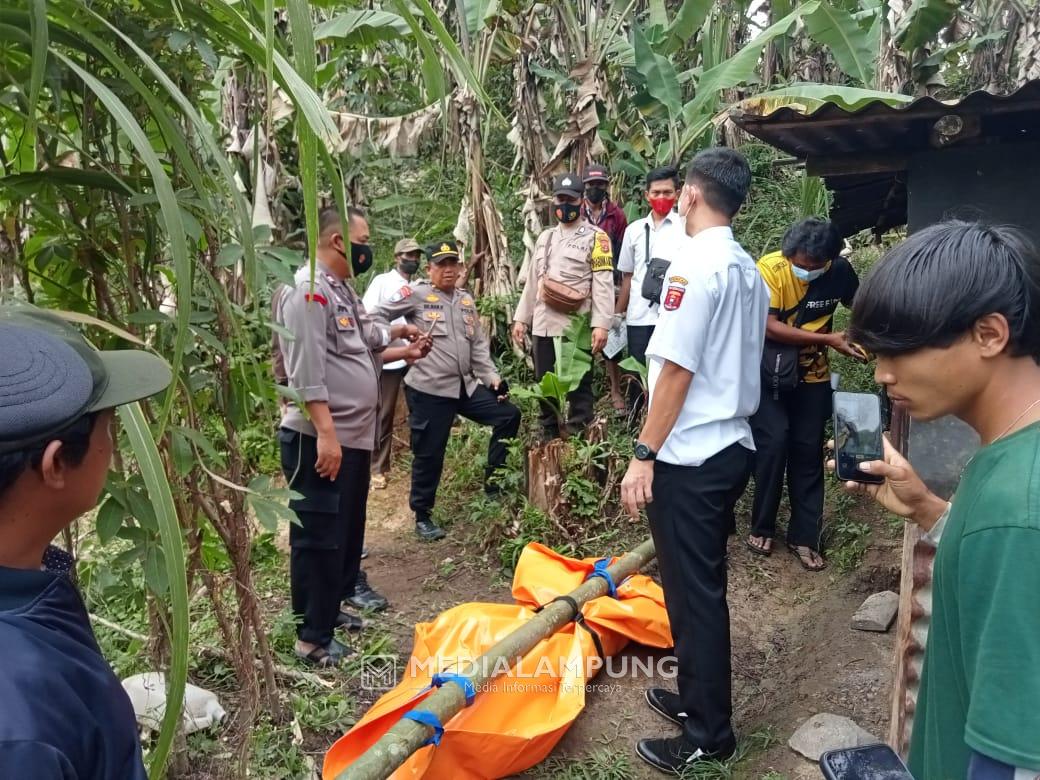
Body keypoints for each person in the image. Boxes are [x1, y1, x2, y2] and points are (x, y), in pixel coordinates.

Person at [833, 221, 1040, 780]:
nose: (882, 374)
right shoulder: (1012, 459)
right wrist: (929, 508)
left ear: (989, 335)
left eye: (899, 351)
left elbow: (1016, 760)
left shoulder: (1019, 508)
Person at [620, 148, 768, 772]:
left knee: (695, 592)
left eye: (678, 194)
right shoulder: (747, 269)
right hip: (730, 443)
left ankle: (710, 735)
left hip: (691, 453)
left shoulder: (693, 267)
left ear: (689, 198)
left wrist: (643, 454)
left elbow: (676, 369)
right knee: (689, 588)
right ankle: (694, 699)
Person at [0, 304, 173, 777]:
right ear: (56, 464)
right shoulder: (18, 734)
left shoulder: (28, 579)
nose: (113, 444)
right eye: (108, 425)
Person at [275, 206, 429, 667]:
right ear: (340, 241)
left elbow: (364, 341)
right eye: (364, 238)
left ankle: (331, 608)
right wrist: (325, 434)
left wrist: (404, 344)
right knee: (319, 536)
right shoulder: (307, 292)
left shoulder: (341, 290)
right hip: (322, 439)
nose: (368, 247)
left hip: (352, 437)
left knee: (344, 530)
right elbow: (305, 372)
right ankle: (311, 637)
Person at [375, 240, 521, 542]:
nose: (448, 270)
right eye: (441, 264)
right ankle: (423, 514)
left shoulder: (466, 300)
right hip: (429, 388)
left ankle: (494, 486)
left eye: (452, 263)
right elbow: (376, 315)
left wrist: (492, 377)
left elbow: (478, 346)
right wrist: (401, 338)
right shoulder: (416, 294)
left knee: (508, 416)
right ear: (429, 269)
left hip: (464, 386)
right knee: (430, 453)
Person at [747, 218, 864, 570]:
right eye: (798, 264)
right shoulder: (769, 270)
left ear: (829, 260)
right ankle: (762, 525)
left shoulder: (840, 272)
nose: (804, 271)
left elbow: (861, 306)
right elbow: (768, 326)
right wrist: (828, 339)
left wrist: (861, 337)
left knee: (808, 449)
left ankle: (804, 536)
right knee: (773, 442)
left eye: (812, 267)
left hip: (813, 375)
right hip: (768, 374)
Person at [512, 172, 615, 440]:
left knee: (579, 382)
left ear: (580, 201)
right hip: (544, 324)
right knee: (544, 379)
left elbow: (602, 283)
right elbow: (533, 284)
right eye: (560, 199)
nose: (564, 204)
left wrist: (601, 325)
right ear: (553, 201)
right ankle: (549, 431)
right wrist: (521, 319)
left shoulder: (597, 238)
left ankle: (580, 432)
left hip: (576, 325)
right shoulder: (545, 237)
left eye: (570, 199)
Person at [615, 165, 683, 413]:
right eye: (656, 192)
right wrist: (618, 313)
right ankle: (635, 422)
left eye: (667, 192)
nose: (661, 198)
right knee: (636, 372)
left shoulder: (686, 228)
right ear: (646, 195)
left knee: (669, 372)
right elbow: (627, 277)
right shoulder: (633, 230)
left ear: (677, 193)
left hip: (672, 314)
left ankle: (665, 420)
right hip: (638, 316)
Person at [362, 237, 424, 490]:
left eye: (417, 256)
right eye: (408, 256)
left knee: (420, 408)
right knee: (384, 411)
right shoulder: (383, 282)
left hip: (415, 357)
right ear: (397, 257)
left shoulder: (419, 285)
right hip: (388, 357)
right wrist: (396, 330)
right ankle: (377, 466)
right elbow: (368, 315)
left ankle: (419, 459)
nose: (413, 260)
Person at [583, 164, 630, 413]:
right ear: (584, 186)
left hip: (608, 281)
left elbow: (622, 253)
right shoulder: (576, 213)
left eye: (600, 185)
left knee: (611, 336)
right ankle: (584, 389)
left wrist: (622, 287)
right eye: (591, 185)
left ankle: (615, 390)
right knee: (582, 336)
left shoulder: (616, 215)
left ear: (606, 186)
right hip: (581, 281)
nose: (595, 189)